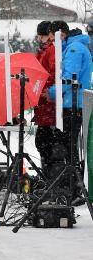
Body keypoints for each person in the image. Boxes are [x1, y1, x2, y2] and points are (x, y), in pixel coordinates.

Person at [47, 20, 92, 202]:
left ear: (61, 34)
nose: (51, 41)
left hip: (73, 104)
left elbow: (68, 78)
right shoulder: (77, 47)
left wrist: (51, 92)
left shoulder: (73, 49)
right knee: (70, 146)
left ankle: (73, 188)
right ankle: (73, 187)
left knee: (69, 147)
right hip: (74, 103)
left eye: (52, 36)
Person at [33, 21, 58, 181]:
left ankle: (49, 178)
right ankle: (46, 176)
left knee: (44, 143)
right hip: (43, 107)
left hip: (48, 105)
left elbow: (53, 74)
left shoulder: (51, 51)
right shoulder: (43, 51)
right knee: (42, 142)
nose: (39, 39)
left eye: (40, 36)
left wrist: (44, 89)